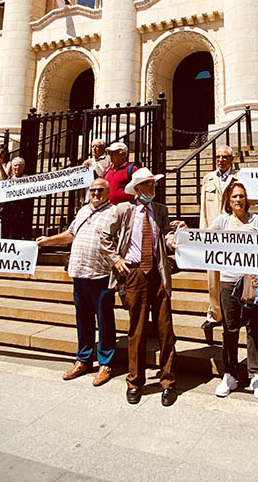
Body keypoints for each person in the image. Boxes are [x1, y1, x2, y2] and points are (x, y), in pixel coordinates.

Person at [100, 167, 185, 406]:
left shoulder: (160, 210)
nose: (153, 188)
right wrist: (116, 259)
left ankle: (168, 381)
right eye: (148, 185)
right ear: (137, 189)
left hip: (158, 274)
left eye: (154, 184)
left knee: (165, 329)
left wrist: (174, 240)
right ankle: (135, 381)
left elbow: (166, 235)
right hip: (135, 273)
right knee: (136, 331)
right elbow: (105, 236)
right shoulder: (124, 210)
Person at [37, 178, 116, 386]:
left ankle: (105, 363)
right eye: (92, 190)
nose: (96, 193)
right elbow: (70, 234)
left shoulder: (114, 212)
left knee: (105, 319)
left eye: (100, 190)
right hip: (79, 272)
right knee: (83, 317)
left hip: (101, 274)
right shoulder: (82, 211)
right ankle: (83, 358)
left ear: (108, 191)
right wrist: (48, 241)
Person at [211, 181, 258, 400]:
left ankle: (255, 374)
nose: (238, 200)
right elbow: (202, 238)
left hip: (251, 282)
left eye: (241, 196)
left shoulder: (257, 221)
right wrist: (183, 233)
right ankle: (230, 374)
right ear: (228, 200)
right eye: (234, 196)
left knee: (253, 328)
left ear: (247, 199)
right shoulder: (222, 221)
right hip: (228, 281)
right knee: (230, 329)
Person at [199, 144, 238, 329]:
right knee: (213, 276)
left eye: (224, 157)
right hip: (213, 234)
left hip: (234, 233)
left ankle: (235, 311)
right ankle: (215, 314)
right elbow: (203, 210)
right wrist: (202, 233)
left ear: (232, 159)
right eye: (218, 157)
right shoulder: (208, 179)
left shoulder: (239, 178)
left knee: (234, 274)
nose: (220, 160)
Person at [0, 156, 34, 240]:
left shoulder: (26, 179)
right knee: (5, 235)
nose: (17, 167)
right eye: (15, 165)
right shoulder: (8, 179)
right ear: (11, 167)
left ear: (23, 167)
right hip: (7, 213)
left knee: (16, 235)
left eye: (19, 165)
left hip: (19, 213)